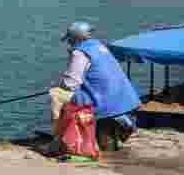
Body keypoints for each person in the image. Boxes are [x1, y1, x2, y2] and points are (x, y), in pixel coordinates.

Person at [47, 22, 140, 153]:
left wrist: (60, 85)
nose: (69, 43)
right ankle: (121, 125)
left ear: (75, 38)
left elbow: (70, 83)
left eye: (70, 39)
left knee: (55, 94)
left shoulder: (80, 53)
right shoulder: (99, 46)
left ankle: (57, 138)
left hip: (105, 103)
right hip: (126, 99)